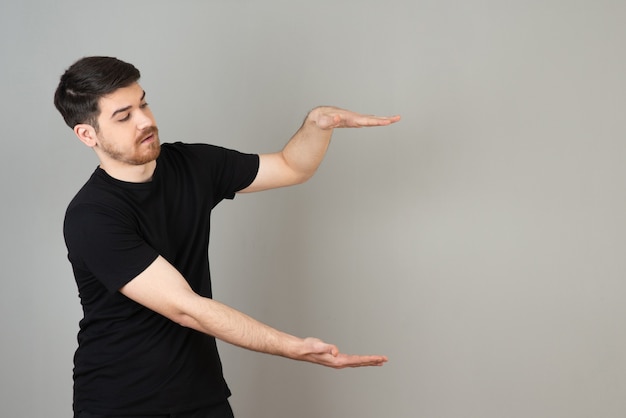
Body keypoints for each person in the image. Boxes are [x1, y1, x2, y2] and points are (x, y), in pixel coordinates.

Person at [54, 56, 400, 418]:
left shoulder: (191, 164)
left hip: (200, 394)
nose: (145, 121)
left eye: (143, 103)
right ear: (87, 134)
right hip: (120, 403)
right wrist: (293, 347)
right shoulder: (92, 217)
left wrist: (318, 124)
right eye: (124, 116)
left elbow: (290, 166)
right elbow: (187, 308)